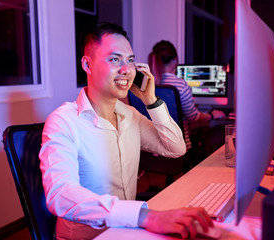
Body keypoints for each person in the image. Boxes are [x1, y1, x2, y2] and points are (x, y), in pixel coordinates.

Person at [39, 22, 213, 239]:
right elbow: (60, 194)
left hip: (125, 231)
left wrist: (151, 100)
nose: (126, 69)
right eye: (114, 59)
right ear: (87, 64)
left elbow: (176, 148)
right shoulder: (63, 121)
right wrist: (143, 217)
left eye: (130, 60)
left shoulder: (130, 115)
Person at [148, 40, 225, 158]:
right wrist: (212, 115)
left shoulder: (148, 83)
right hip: (177, 145)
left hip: (152, 146)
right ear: (174, 60)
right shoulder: (180, 85)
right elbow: (192, 117)